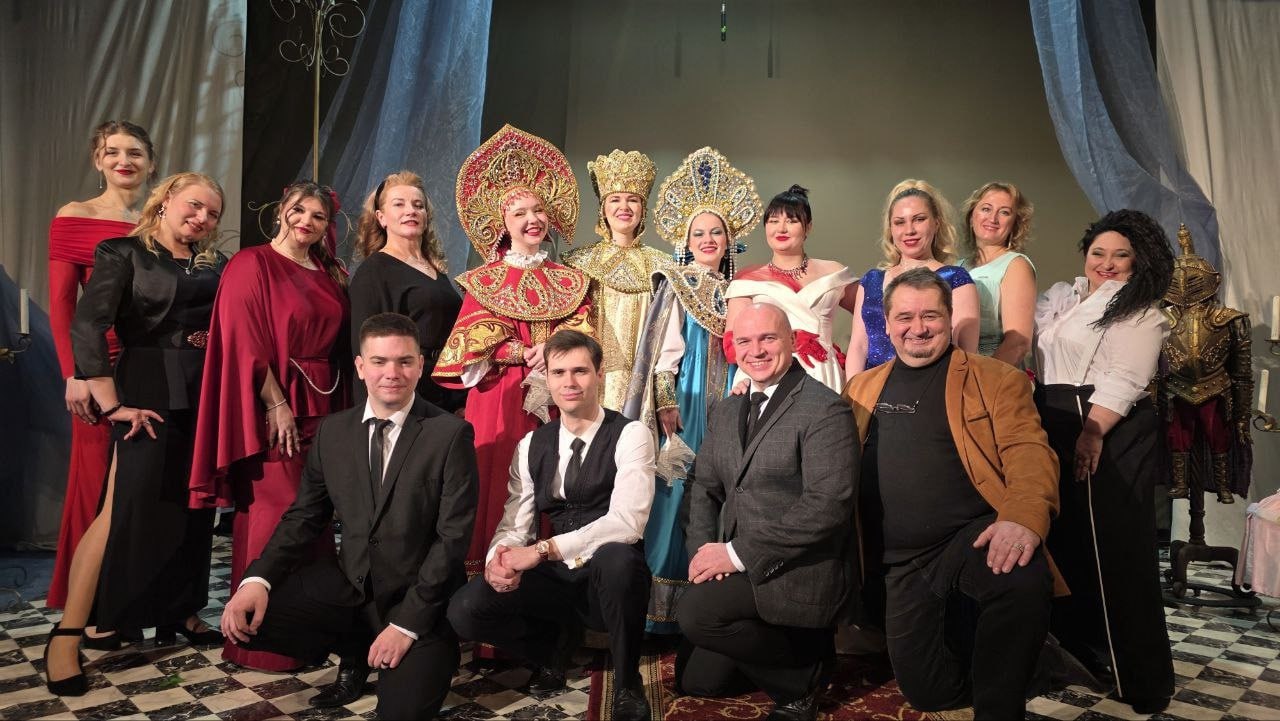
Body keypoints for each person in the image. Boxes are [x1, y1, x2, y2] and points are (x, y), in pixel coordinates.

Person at [220, 312, 478, 720]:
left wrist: (406, 625)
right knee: (251, 621)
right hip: (352, 590)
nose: (392, 373)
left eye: (404, 361)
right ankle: (355, 649)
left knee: (401, 715)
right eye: (379, 361)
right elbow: (304, 517)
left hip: (418, 601)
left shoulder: (450, 434)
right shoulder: (333, 431)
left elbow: (452, 540)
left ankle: (400, 648)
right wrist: (258, 579)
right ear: (360, 366)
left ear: (420, 365)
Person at [844, 268, 1063, 720]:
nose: (918, 328)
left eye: (930, 315)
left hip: (970, 536)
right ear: (886, 323)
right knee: (930, 694)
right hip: (901, 563)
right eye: (905, 317)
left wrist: (1021, 519)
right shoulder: (861, 388)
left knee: (1020, 572)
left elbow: (1029, 452)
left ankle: (1000, 705)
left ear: (949, 318)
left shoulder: (995, 379)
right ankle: (1032, 660)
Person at [44, 172, 228, 696]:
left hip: (203, 390)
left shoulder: (215, 262)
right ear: (166, 199)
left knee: (194, 508)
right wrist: (112, 405)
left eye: (213, 213)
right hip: (145, 387)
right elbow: (88, 324)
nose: (203, 218)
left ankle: (181, 611)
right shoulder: (122, 252)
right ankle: (68, 635)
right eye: (194, 205)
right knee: (119, 509)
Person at [447, 330, 655, 720]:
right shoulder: (532, 444)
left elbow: (627, 523)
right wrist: (498, 561)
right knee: (465, 610)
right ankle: (551, 650)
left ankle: (628, 681)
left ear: (599, 374)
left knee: (618, 560)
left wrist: (543, 550)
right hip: (557, 578)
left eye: (580, 371)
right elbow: (515, 522)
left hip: (606, 578)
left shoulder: (631, 434)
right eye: (559, 372)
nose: (569, 382)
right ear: (547, 378)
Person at [189, 180, 350, 671]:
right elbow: (243, 340)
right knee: (274, 517)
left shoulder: (329, 272)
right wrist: (275, 403)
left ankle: (309, 636)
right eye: (298, 210)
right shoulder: (251, 263)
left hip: (325, 407)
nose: (306, 222)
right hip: (277, 406)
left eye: (318, 216)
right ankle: (260, 643)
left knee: (314, 520)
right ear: (281, 210)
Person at [677, 302, 858, 721]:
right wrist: (705, 553)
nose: (755, 350)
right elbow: (703, 486)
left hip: (797, 567)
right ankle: (792, 647)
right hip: (739, 565)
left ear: (792, 340)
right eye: (744, 341)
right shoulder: (727, 409)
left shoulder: (825, 408)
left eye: (768, 338)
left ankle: (804, 677)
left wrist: (735, 554)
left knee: (696, 615)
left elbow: (828, 505)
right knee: (697, 682)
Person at [433, 124, 591, 585]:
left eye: (538, 209)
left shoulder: (571, 279)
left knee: (559, 478)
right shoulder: (484, 281)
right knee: (501, 481)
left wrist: (554, 350)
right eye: (519, 212)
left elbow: (585, 329)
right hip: (501, 397)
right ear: (502, 223)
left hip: (561, 397)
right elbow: (467, 344)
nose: (532, 219)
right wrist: (521, 350)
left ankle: (551, 589)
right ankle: (489, 590)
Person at [1033, 209, 1175, 714]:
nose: (1107, 263)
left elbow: (1126, 377)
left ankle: (1144, 679)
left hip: (1103, 425)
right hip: (1057, 417)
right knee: (1070, 548)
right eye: (1098, 252)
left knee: (1116, 552)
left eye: (1121, 255)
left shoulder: (1141, 311)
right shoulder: (1066, 298)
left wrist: (1092, 433)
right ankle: (1084, 656)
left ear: (1139, 262)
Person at [624, 146, 762, 633]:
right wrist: (666, 403)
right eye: (698, 233)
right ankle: (660, 612)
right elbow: (666, 350)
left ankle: (710, 600)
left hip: (731, 402)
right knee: (676, 492)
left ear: (730, 241)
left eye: (716, 232)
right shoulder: (677, 282)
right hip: (687, 402)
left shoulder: (742, 290)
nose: (708, 240)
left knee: (723, 491)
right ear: (686, 241)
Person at [46, 120, 157, 623]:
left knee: (138, 484)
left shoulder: (157, 219)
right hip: (97, 366)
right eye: (112, 152)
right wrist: (75, 374)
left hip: (148, 363)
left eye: (134, 152)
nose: (123, 161)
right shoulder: (76, 215)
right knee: (93, 483)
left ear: (151, 162)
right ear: (98, 160)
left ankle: (124, 597)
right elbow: (62, 305)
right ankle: (82, 606)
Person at [348, 170, 465, 412]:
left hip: (448, 389)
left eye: (418, 205)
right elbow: (365, 349)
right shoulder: (374, 272)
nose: (411, 211)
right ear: (381, 217)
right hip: (407, 391)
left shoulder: (434, 269)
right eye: (399, 204)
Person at [725, 185, 857, 393]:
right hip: (763, 373)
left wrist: (848, 358)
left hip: (820, 370)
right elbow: (731, 344)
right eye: (773, 221)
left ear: (808, 227)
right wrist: (787, 341)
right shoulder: (747, 280)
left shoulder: (834, 273)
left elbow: (871, 316)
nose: (781, 229)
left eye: (792, 221)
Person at [563, 149, 668, 410]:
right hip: (591, 378)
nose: (624, 207)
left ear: (643, 208)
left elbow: (668, 336)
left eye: (632, 200)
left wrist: (665, 396)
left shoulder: (663, 267)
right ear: (603, 208)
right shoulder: (578, 262)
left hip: (642, 386)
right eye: (615, 200)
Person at [847, 179, 979, 377]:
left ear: (936, 223)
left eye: (919, 219)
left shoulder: (956, 278)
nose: (909, 230)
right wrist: (852, 392)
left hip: (933, 386)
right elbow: (859, 346)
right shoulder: (871, 280)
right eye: (900, 222)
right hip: (873, 389)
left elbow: (966, 354)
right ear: (891, 229)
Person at [957, 181, 1037, 366]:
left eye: (1004, 212)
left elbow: (1018, 343)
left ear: (1015, 224)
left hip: (994, 373)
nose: (993, 219)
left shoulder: (1016, 265)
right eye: (986, 209)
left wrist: (982, 379)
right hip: (957, 370)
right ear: (971, 217)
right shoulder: (956, 266)